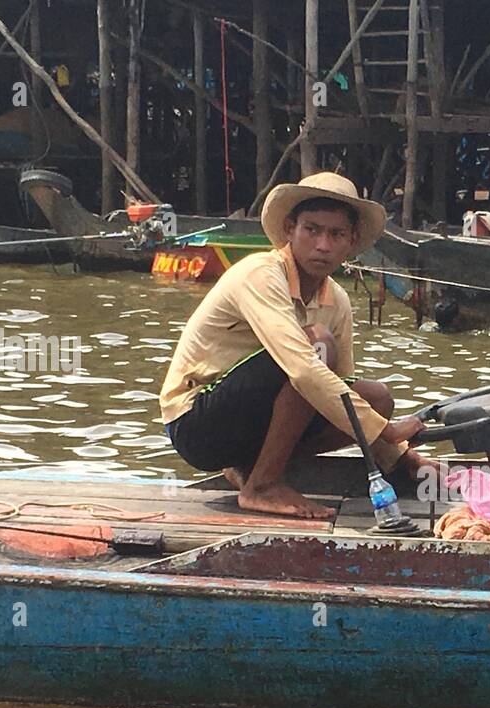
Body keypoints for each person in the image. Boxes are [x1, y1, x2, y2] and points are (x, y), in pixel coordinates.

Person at [159, 172, 428, 518]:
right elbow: (302, 368)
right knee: (316, 346)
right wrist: (388, 430)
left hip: (251, 421)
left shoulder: (338, 300)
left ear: (351, 240)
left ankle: (253, 468)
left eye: (336, 234)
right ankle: (262, 486)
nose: (323, 245)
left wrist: (401, 456)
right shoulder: (260, 274)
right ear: (290, 230)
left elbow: (342, 391)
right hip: (196, 421)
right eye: (311, 230)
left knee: (376, 398)